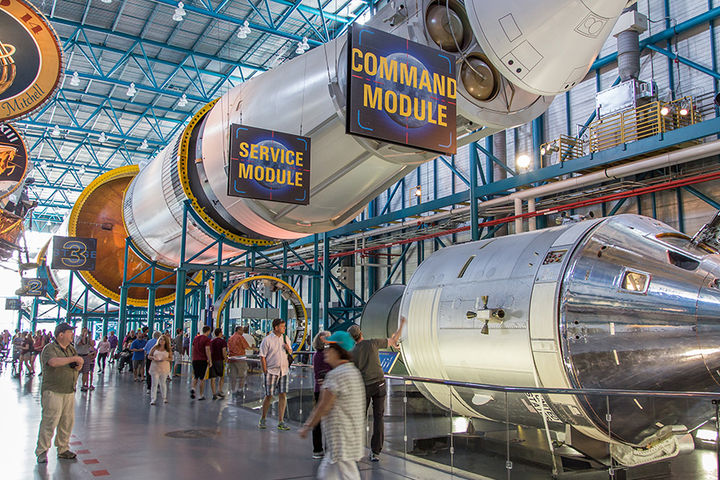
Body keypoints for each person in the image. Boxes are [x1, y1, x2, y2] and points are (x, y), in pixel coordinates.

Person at [299, 331, 365, 480]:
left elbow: (323, 406)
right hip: (347, 436)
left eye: (329, 348)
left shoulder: (336, 375)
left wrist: (307, 426)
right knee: (327, 473)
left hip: (341, 439)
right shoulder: (353, 371)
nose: (326, 351)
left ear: (337, 351)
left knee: (348, 475)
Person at [346, 316, 406, 462]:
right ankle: (375, 452)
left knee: (360, 418)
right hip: (379, 384)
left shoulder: (352, 352)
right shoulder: (372, 343)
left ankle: (355, 449)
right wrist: (402, 324)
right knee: (379, 418)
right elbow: (393, 340)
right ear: (361, 333)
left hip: (364, 387)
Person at [35, 323, 83, 463]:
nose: (72, 334)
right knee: (50, 421)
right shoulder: (50, 348)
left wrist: (78, 364)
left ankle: (63, 448)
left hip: (68, 390)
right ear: (60, 334)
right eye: (69, 332)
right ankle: (42, 451)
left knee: (67, 422)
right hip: (53, 391)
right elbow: (53, 362)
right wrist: (74, 359)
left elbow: (76, 367)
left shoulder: (71, 349)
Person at [258, 318, 293, 430]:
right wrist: (265, 371)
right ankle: (263, 418)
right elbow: (262, 356)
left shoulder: (285, 338)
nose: (284, 328)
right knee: (269, 395)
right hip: (271, 371)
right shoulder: (267, 340)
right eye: (282, 326)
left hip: (284, 371)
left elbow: (290, 352)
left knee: (283, 394)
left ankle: (281, 421)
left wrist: (288, 349)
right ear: (276, 327)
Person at [311, 331, 332, 459]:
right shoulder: (327, 355)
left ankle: (317, 449)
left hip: (318, 390)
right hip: (328, 391)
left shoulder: (316, 355)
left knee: (318, 420)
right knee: (329, 420)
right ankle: (329, 449)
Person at [148, 334, 173, 405]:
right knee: (154, 383)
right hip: (155, 367)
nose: (162, 341)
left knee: (163, 383)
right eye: (161, 339)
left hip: (164, 368)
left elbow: (171, 358)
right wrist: (153, 358)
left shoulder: (168, 349)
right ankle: (153, 399)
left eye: (164, 340)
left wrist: (166, 358)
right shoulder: (155, 348)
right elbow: (149, 356)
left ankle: (164, 397)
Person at [227, 326, 251, 396]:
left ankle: (233, 390)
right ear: (238, 330)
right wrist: (253, 349)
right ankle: (240, 389)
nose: (243, 332)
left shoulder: (230, 338)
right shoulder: (240, 337)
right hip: (240, 358)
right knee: (242, 375)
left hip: (232, 359)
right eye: (242, 330)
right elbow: (246, 347)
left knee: (233, 376)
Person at [190, 326, 213, 400]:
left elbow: (193, 348)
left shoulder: (196, 338)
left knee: (195, 376)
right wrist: (210, 360)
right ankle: (201, 395)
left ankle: (193, 388)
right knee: (202, 378)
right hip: (203, 360)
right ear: (208, 331)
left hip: (195, 359)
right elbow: (207, 350)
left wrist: (192, 357)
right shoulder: (207, 339)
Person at [209, 328, 228, 400]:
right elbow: (224, 351)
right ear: (220, 333)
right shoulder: (223, 341)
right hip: (220, 360)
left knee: (213, 378)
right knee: (221, 376)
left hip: (213, 360)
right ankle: (220, 390)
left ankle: (214, 393)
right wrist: (225, 358)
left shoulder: (211, 341)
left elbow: (209, 351)